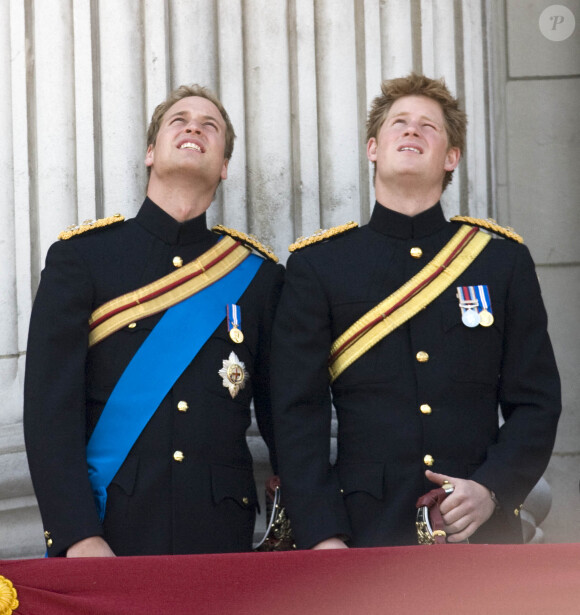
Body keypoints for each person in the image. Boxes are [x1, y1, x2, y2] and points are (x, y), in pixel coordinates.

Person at [271, 73, 561, 549]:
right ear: (372, 148)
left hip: (477, 531)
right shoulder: (318, 265)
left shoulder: (499, 260)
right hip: (363, 531)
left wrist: (492, 490)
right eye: (399, 123)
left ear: (451, 157)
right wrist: (323, 533)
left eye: (428, 127)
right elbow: (296, 412)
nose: (411, 131)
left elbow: (536, 402)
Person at [24, 84, 284, 557]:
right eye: (178, 120)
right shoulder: (82, 258)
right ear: (150, 152)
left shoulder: (258, 278)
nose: (194, 128)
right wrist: (77, 534)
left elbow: (283, 414)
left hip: (219, 537)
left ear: (224, 165)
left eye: (211, 126)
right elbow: (49, 410)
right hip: (109, 531)